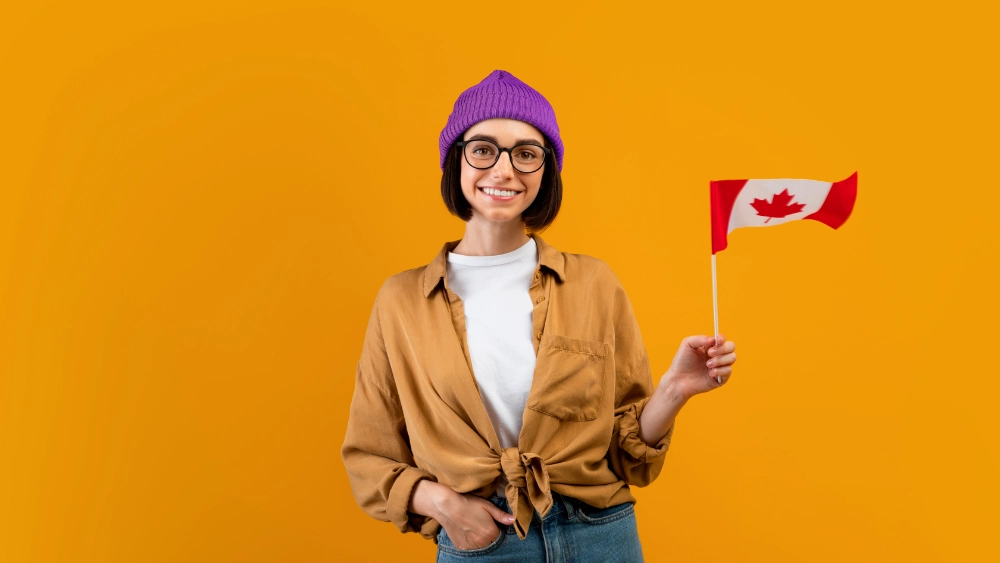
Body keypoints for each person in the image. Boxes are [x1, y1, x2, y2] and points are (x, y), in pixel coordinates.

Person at [341, 70, 738, 562]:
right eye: (483, 149)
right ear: (455, 162)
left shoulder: (593, 283)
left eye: (526, 154)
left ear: (546, 171)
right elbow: (368, 454)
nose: (504, 171)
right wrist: (443, 504)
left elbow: (626, 455)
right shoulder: (401, 302)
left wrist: (674, 392)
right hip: (482, 542)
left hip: (600, 535)